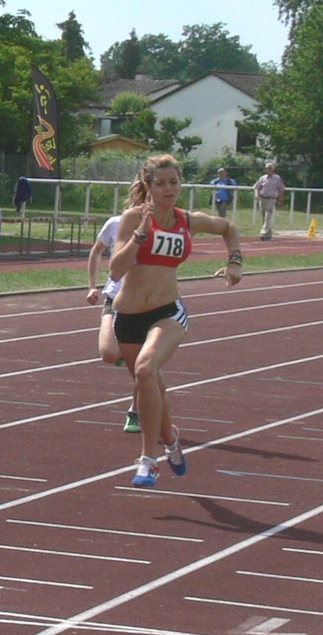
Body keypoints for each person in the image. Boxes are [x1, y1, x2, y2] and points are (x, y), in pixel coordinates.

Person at [109, 153, 243, 488]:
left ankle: (147, 461)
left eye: (174, 182)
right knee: (153, 386)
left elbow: (228, 228)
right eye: (160, 184)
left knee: (145, 369)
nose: (168, 189)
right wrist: (139, 236)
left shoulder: (187, 220)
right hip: (128, 317)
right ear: (148, 186)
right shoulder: (132, 218)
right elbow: (115, 271)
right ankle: (170, 440)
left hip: (168, 311)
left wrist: (235, 262)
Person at [86, 213, 140, 433]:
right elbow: (96, 251)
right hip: (115, 296)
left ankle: (135, 411)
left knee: (143, 367)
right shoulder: (115, 223)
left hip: (146, 302)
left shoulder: (164, 225)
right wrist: (92, 286)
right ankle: (122, 353)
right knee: (108, 353)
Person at [254, 161, 285, 240]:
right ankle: (268, 235)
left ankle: (263, 232)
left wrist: (280, 199)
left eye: (269, 168)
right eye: (267, 168)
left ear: (272, 169)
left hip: (271, 199)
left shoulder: (277, 178)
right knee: (264, 217)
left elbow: (281, 189)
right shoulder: (263, 178)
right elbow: (257, 187)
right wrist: (257, 195)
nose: (268, 170)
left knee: (268, 215)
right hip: (263, 198)